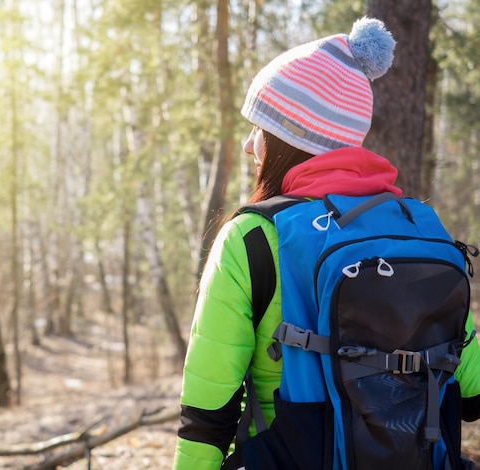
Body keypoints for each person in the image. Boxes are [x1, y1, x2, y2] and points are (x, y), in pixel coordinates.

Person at [173, 17, 480, 470]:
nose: (247, 146)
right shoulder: (420, 226)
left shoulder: (254, 237)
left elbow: (207, 415)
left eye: (260, 127)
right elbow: (471, 392)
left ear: (288, 139)